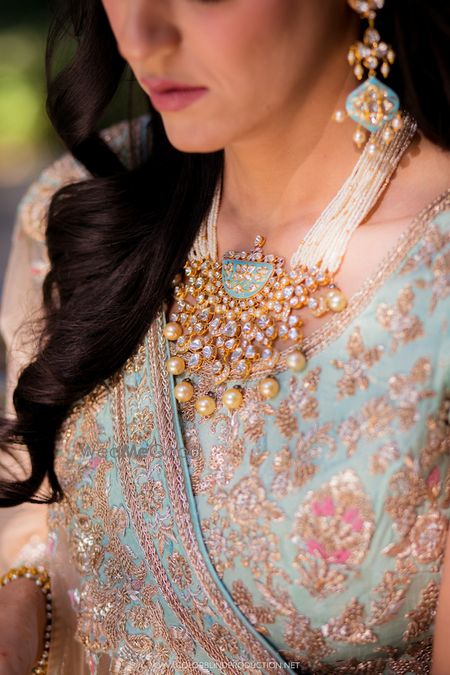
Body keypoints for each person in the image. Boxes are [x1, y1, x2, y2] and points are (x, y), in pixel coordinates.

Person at [0, 0, 449, 672]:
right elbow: (47, 510)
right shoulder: (85, 212)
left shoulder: (434, 282)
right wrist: (23, 604)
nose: (142, 36)